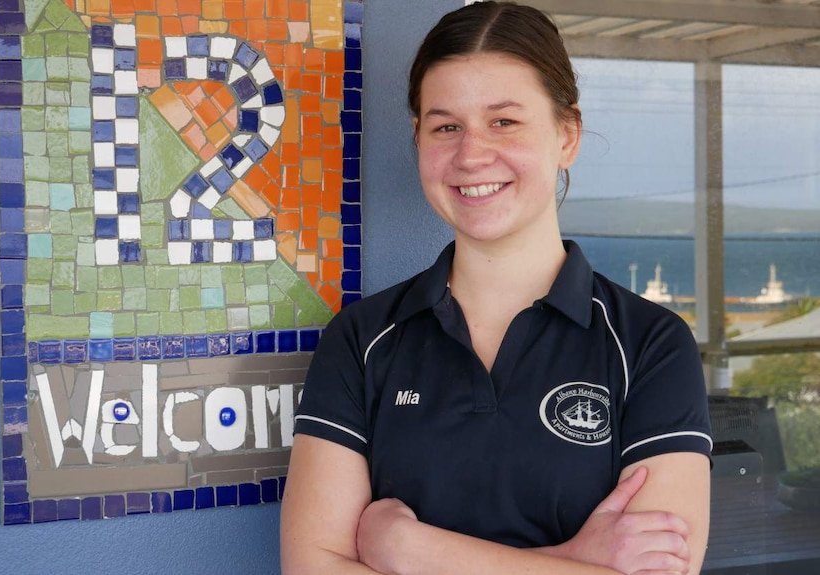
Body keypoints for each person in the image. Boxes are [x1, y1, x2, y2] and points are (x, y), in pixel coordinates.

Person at [280, 2, 712, 574]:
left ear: (567, 134)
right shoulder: (361, 342)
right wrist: (573, 561)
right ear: (418, 139)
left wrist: (409, 550)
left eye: (503, 121)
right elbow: (312, 569)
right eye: (446, 126)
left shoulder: (650, 346)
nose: (471, 154)